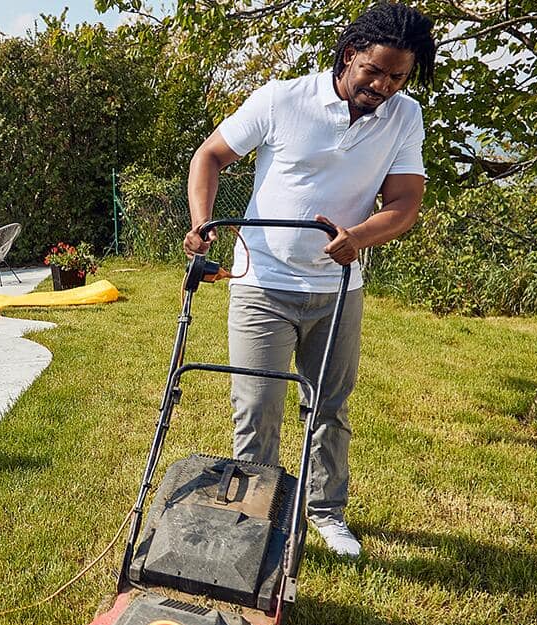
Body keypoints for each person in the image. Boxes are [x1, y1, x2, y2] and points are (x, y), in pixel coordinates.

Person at [184, 2, 435, 559]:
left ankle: (326, 512)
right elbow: (210, 156)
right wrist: (202, 223)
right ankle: (257, 519)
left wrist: (360, 237)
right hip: (261, 283)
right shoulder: (282, 99)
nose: (384, 85)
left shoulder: (404, 116)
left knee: (328, 406)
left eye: (398, 76)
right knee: (257, 405)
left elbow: (404, 202)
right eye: (375, 71)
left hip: (338, 290)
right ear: (350, 55)